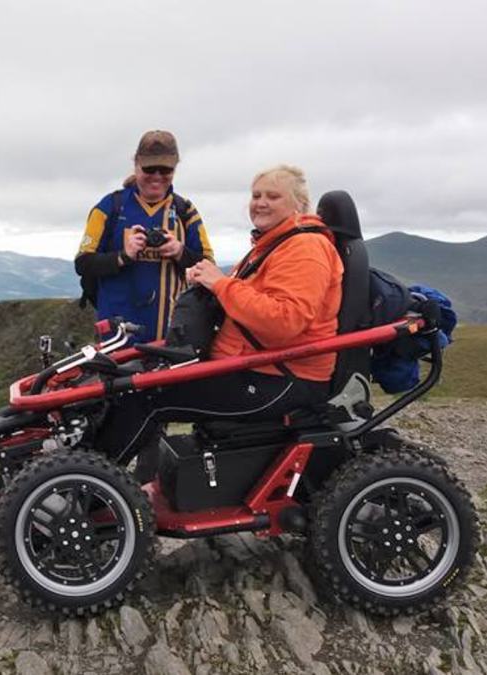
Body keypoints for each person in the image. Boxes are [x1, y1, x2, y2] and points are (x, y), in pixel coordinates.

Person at [98, 164, 344, 476]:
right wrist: (208, 283)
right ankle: (88, 477)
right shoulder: (274, 244)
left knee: (146, 396)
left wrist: (221, 284)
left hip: (279, 378)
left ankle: (89, 490)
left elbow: (285, 321)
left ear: (299, 205)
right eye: (256, 195)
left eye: (273, 196)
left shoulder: (306, 248)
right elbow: (246, 300)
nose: (261, 203)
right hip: (253, 365)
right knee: (127, 380)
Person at [75, 130, 214, 342]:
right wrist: (123, 256)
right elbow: (83, 264)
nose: (157, 176)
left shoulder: (185, 211)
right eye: (149, 168)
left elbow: (209, 267)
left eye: (166, 169)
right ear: (136, 164)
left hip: (169, 338)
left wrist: (179, 252)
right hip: (116, 339)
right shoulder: (110, 207)